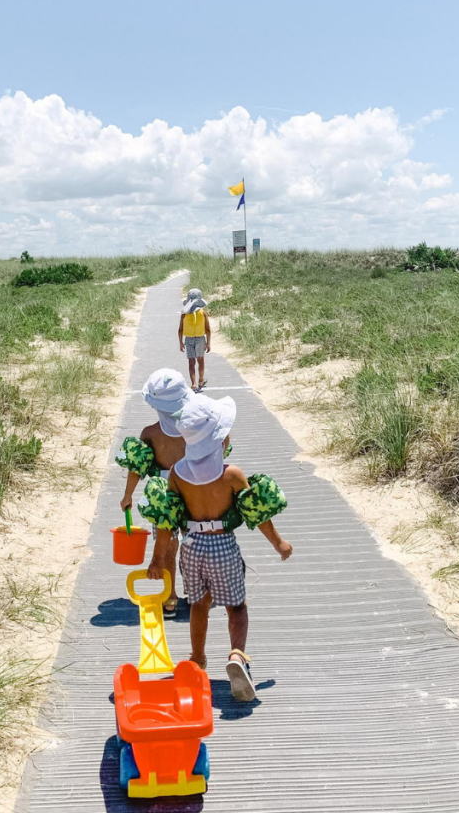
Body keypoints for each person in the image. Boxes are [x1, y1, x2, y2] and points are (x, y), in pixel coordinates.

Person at [142, 394, 292, 702]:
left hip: (192, 547)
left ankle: (198, 658)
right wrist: (279, 543)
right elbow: (257, 513)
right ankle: (237, 656)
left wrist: (157, 559)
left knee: (199, 605)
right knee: (236, 607)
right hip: (222, 546)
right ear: (220, 441)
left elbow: (167, 521)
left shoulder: (177, 474)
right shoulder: (232, 474)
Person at [116, 369, 191, 617]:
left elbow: (137, 467)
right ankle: (198, 593)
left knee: (167, 546)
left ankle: (170, 597)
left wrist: (128, 495)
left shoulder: (150, 433)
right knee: (196, 542)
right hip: (194, 490)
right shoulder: (195, 429)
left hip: (163, 496)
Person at [178, 287, 211, 392]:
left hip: (188, 339)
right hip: (200, 339)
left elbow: (180, 329)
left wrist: (181, 343)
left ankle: (193, 384)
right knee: (200, 360)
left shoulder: (184, 314)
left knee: (191, 362)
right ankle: (201, 380)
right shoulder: (203, 313)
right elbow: (208, 329)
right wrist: (208, 343)